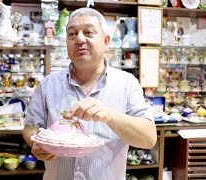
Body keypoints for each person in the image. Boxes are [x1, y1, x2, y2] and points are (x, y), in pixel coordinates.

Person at [22, 7, 157, 180]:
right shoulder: (48, 84)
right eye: (72, 34)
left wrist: (109, 115)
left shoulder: (127, 83)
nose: (79, 39)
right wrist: (37, 143)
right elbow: (31, 126)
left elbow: (148, 138)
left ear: (106, 41)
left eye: (88, 32)